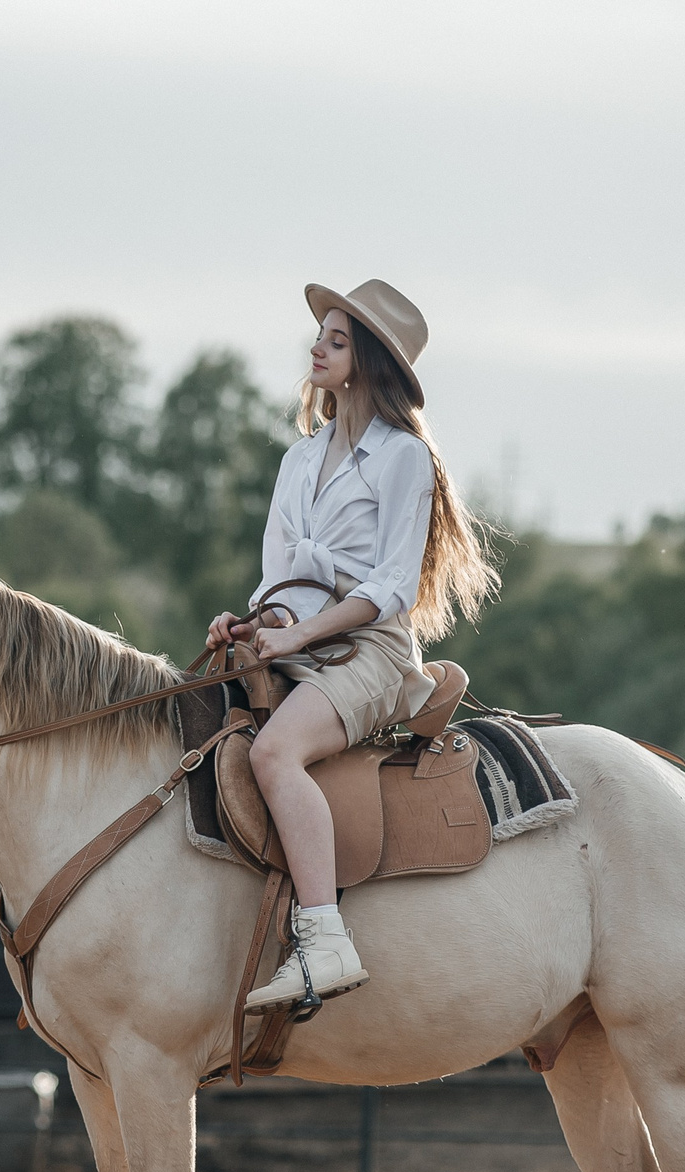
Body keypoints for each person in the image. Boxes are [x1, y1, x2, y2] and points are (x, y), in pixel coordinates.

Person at [206, 279, 496, 1011]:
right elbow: (280, 578)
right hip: (296, 642)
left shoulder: (403, 458)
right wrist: (250, 626)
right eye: (320, 337)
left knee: (274, 754)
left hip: (371, 651)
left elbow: (394, 585)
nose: (317, 348)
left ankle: (326, 939)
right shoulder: (296, 461)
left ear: (367, 361)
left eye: (336, 340)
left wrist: (302, 632)